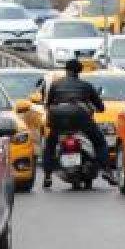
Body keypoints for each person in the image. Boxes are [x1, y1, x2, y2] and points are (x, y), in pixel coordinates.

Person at [42, 58, 109, 189]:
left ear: (66, 70)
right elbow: (101, 107)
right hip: (80, 117)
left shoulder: (55, 85)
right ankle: (106, 170)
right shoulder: (86, 85)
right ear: (80, 71)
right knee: (99, 141)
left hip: (57, 117)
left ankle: (47, 176)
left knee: (50, 146)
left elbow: (48, 104)